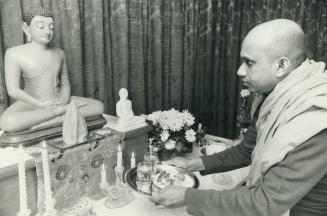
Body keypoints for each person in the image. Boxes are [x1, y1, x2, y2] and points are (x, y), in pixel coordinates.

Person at [150, 19, 327, 216]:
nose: (240, 71)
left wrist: (187, 197)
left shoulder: (316, 116)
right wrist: (190, 164)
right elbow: (246, 151)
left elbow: (264, 203)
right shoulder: (275, 94)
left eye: (249, 62)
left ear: (281, 66)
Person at [0, 7, 104, 132]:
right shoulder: (14, 53)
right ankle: (61, 115)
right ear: (26, 28)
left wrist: (64, 100)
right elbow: (13, 90)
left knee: (98, 106)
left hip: (57, 102)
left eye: (51, 27)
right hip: (31, 104)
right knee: (7, 122)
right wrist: (39, 104)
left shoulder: (59, 53)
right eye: (40, 26)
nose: (47, 31)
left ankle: (45, 124)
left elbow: (65, 85)